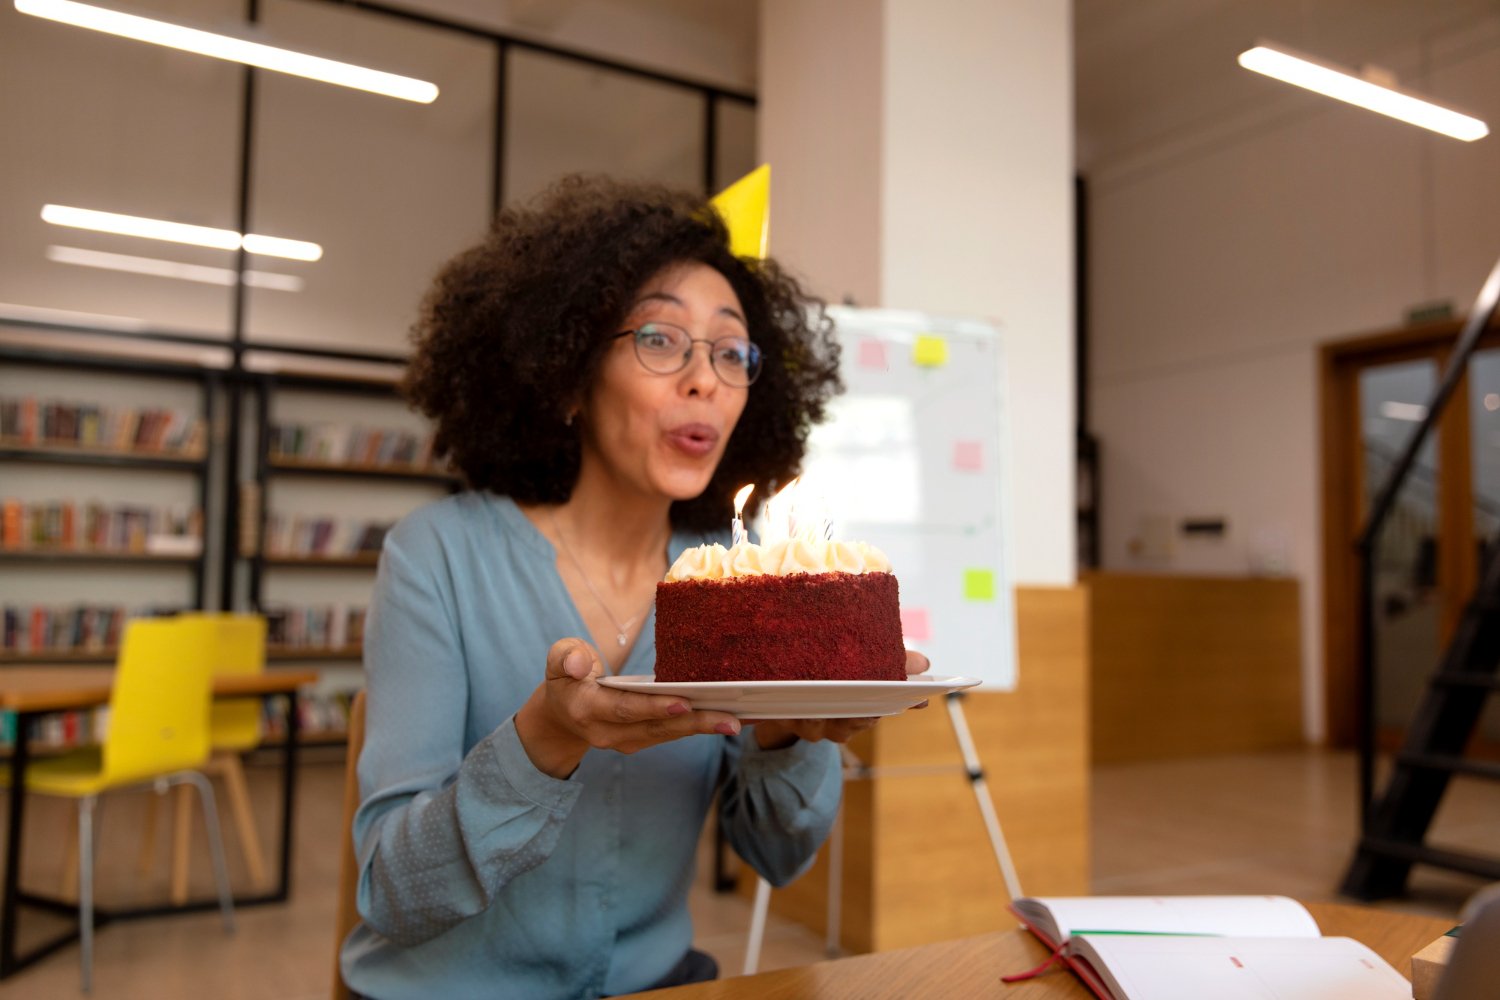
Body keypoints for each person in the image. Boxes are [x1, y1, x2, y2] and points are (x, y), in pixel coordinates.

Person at [340, 175, 930, 999]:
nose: (706, 380)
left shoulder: (736, 582)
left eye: (732, 351)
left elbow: (779, 856)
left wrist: (783, 733)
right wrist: (546, 739)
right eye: (660, 338)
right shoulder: (437, 557)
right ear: (569, 376)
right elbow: (392, 891)